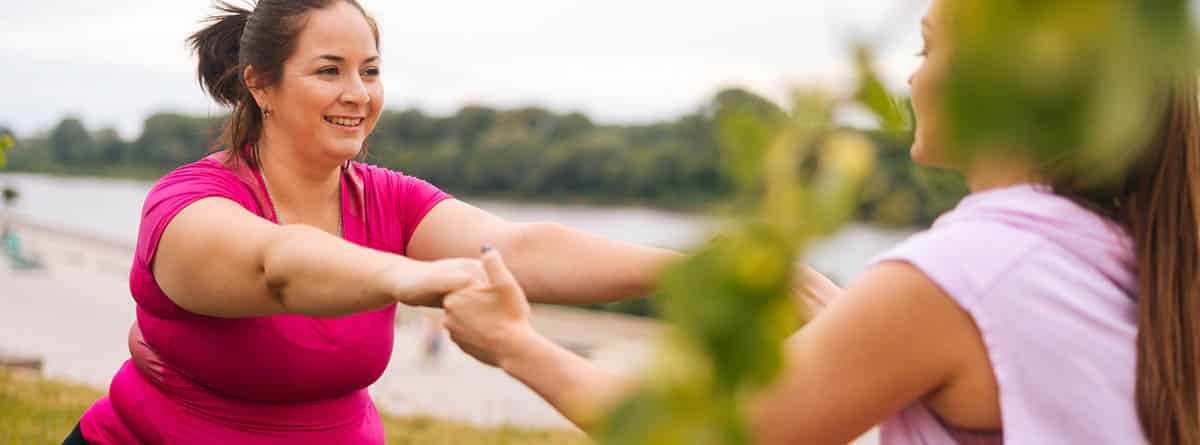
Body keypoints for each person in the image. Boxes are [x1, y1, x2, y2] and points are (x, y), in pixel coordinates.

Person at [441, 0, 1200, 443]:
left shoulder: (972, 268)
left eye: (928, 47)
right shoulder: (1115, 247)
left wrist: (515, 343)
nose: (910, 75)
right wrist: (844, 309)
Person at [68, 1, 688, 443]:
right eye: (329, 69)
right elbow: (277, 265)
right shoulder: (189, 203)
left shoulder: (388, 199)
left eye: (370, 70)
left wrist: (700, 271)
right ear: (261, 84)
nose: (359, 94)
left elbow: (526, 247)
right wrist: (410, 278)